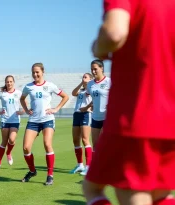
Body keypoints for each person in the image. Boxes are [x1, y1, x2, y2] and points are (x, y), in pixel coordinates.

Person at [82, 0, 175, 205]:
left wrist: (98, 46)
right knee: (160, 195)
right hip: (170, 117)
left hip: (138, 113)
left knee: (96, 189)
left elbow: (114, 33)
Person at [20, 63, 69, 185]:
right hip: (34, 121)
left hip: (47, 119)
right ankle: (32, 171)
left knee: (47, 144)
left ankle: (50, 175)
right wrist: (26, 110)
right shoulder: (28, 86)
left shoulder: (50, 85)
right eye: (33, 72)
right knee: (26, 148)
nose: (35, 74)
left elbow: (65, 96)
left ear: (42, 72)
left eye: (37, 72)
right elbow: (22, 98)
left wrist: (56, 109)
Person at [0, 75, 24, 171]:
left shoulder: (18, 93)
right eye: (7, 82)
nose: (9, 83)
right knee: (4, 142)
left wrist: (22, 111)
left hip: (15, 120)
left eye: (10, 81)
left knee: (12, 140)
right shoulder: (1, 93)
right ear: (5, 83)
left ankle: (8, 153)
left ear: (13, 82)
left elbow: (25, 103)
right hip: (4, 120)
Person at [81, 60, 111, 156]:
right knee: (95, 145)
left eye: (95, 69)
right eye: (92, 69)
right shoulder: (90, 84)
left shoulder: (109, 81)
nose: (93, 71)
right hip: (95, 117)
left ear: (101, 68)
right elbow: (94, 99)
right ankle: (97, 169)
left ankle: (108, 168)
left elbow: (116, 96)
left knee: (105, 144)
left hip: (107, 117)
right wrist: (88, 107)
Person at [69, 73, 93, 176]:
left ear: (90, 79)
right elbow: (73, 93)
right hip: (77, 114)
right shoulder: (81, 90)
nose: (83, 78)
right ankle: (80, 165)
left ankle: (88, 166)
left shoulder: (91, 88)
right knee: (75, 140)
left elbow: (94, 99)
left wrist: (87, 108)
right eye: (83, 77)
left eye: (85, 77)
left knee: (85, 139)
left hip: (86, 114)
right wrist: (81, 83)